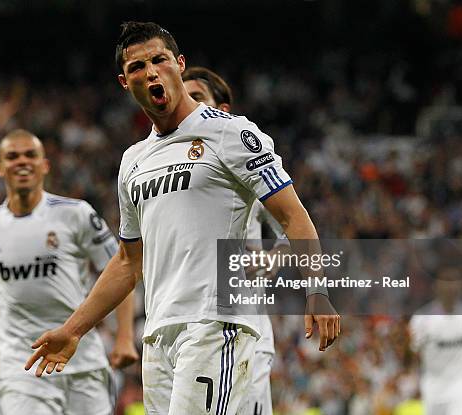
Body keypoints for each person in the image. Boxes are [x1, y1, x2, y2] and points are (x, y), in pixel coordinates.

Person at [25, 22, 340, 415]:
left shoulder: (231, 134)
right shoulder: (132, 162)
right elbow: (127, 262)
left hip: (215, 323)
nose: (151, 71)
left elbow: (294, 217)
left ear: (179, 63)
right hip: (158, 335)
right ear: (125, 82)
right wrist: (73, 330)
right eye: (138, 67)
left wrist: (317, 290)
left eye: (159, 59)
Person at [0, 129, 139, 414]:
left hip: (83, 361)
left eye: (30, 155)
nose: (22, 161)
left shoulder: (76, 214)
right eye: (12, 156)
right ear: (0, 168)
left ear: (44, 165)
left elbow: (121, 268)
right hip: (22, 367)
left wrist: (124, 337)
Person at [182, 66, 291, 415]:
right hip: (182, 332)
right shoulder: (166, 174)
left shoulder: (246, 170)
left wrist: (270, 262)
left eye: (196, 98)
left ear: (222, 110)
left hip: (245, 328)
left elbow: (292, 230)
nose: (187, 107)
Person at [409, 267, 462, 415]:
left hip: (460, 388)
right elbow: (413, 353)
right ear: (436, 286)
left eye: (454, 281)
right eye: (446, 281)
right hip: (432, 389)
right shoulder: (421, 319)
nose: (451, 286)